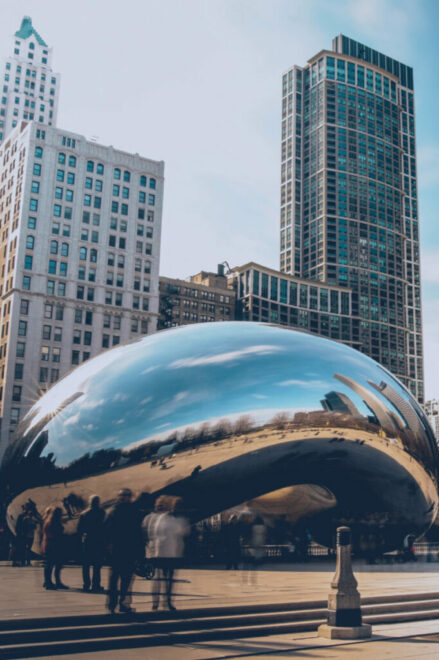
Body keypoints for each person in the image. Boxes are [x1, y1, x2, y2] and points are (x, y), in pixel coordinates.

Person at [143, 495, 189, 611]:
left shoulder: (175, 520)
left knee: (169, 579)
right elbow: (153, 533)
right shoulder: (159, 518)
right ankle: (156, 602)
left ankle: (167, 602)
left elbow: (182, 533)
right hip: (160, 553)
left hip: (171, 553)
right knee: (159, 578)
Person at [105, 488, 143, 614]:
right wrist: (140, 552)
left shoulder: (111, 511)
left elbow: (105, 532)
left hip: (116, 550)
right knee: (126, 580)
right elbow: (138, 534)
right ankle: (123, 604)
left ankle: (111, 604)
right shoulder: (134, 511)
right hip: (128, 550)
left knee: (114, 579)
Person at [78, 495, 105, 592]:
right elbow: (105, 527)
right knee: (97, 564)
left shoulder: (83, 513)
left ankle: (86, 584)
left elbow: (79, 529)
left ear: (90, 502)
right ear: (98, 502)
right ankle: (96, 585)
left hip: (87, 540)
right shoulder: (102, 512)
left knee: (86, 564)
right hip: (98, 541)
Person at [42, 507, 68, 590]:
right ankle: (48, 582)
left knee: (55, 564)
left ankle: (54, 582)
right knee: (50, 564)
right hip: (53, 545)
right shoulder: (51, 523)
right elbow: (52, 534)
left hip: (52, 544)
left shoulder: (51, 522)